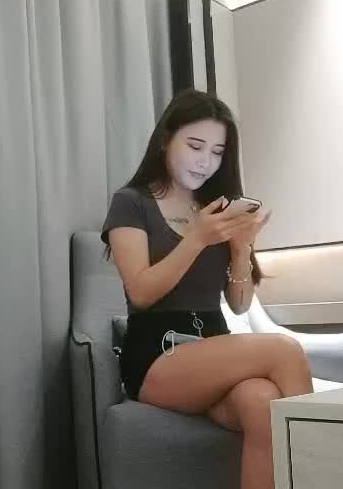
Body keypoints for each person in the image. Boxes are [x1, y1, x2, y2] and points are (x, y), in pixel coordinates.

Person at [101, 89, 312, 489]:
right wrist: (196, 238)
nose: (206, 161)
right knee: (284, 349)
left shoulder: (216, 207)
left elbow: (239, 303)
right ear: (166, 140)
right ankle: (323, 466)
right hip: (158, 354)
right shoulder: (131, 203)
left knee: (263, 402)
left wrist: (241, 248)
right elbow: (141, 293)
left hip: (215, 346)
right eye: (195, 146)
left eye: (217, 152)